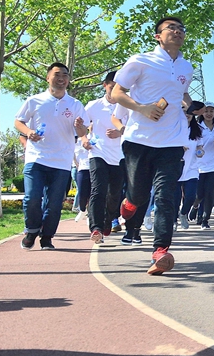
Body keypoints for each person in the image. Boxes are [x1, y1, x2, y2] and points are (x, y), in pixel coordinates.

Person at [110, 16, 194, 275]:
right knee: (139, 194)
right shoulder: (140, 61)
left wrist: (188, 107)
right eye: (172, 28)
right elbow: (116, 92)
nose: (178, 32)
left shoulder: (187, 67)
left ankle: (160, 251)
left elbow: (181, 93)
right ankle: (130, 202)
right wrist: (142, 108)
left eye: (181, 29)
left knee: (166, 196)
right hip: (139, 139)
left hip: (172, 141)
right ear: (158, 36)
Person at [14, 62, 88, 249]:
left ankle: (47, 237)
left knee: (54, 204)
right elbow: (18, 121)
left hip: (62, 161)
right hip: (36, 158)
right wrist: (29, 132)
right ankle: (31, 230)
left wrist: (80, 127)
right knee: (32, 198)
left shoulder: (75, 105)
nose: (61, 78)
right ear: (48, 78)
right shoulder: (34, 100)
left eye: (65, 75)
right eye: (57, 74)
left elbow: (82, 132)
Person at [83, 71, 131, 244]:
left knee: (115, 194)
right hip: (98, 152)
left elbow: (134, 128)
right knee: (98, 190)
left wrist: (120, 132)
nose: (115, 90)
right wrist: (84, 139)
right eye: (112, 87)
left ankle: (107, 220)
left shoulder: (127, 107)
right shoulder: (93, 106)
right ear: (105, 85)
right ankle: (95, 228)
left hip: (119, 155)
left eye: (120, 88)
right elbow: (80, 123)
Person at [193, 102, 214, 229]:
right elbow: (193, 144)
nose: (209, 114)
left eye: (211, 111)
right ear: (202, 113)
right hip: (199, 165)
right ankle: (195, 207)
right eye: (206, 111)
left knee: (210, 192)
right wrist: (199, 149)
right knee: (199, 194)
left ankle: (205, 219)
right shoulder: (197, 127)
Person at [179, 109, 204, 230]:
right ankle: (172, 220)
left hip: (191, 168)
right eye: (184, 112)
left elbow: (199, 146)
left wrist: (200, 151)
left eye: (189, 112)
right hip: (175, 167)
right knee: (174, 198)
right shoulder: (174, 127)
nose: (187, 115)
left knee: (191, 196)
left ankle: (183, 213)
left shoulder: (197, 129)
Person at [73, 141, 91, 220]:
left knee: (93, 193)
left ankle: (90, 215)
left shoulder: (93, 137)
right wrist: (76, 164)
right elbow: (72, 153)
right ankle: (83, 209)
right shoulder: (77, 140)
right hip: (82, 169)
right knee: (81, 193)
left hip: (94, 168)